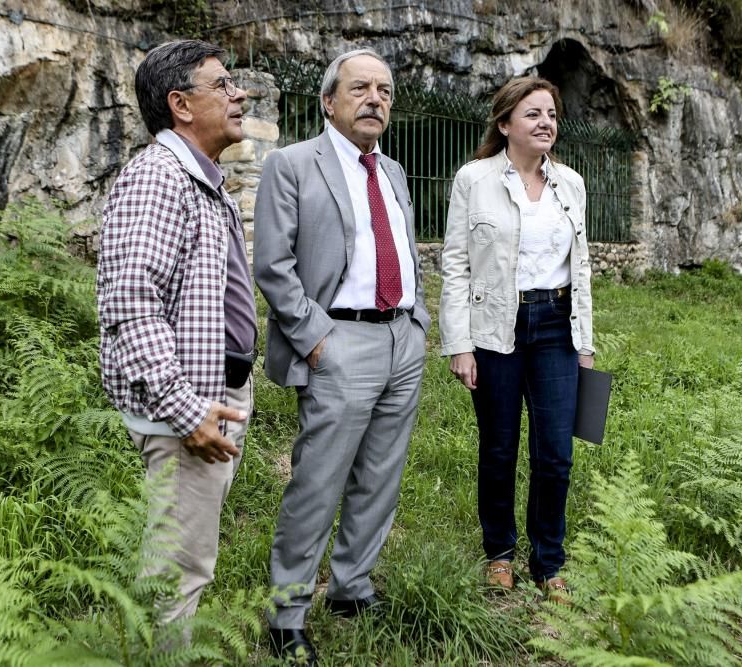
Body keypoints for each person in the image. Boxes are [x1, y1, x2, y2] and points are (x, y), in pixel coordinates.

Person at [254, 48, 429, 664]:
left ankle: (352, 586)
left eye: (384, 89)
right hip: (339, 340)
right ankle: (288, 611)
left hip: (400, 339)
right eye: (360, 88)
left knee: (380, 476)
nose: (375, 99)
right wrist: (316, 337)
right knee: (318, 482)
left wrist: (419, 321)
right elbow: (273, 266)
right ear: (329, 101)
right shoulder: (292, 164)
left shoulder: (396, 172)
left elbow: (404, 251)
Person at [97, 39, 256, 623]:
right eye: (222, 85)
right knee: (178, 570)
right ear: (181, 104)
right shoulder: (158, 178)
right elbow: (130, 306)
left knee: (184, 559)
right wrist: (185, 410)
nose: (238, 94)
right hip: (184, 409)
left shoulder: (202, 179)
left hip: (210, 397)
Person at [439, 76, 594, 601]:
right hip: (495, 328)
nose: (545, 122)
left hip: (556, 326)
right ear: (505, 124)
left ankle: (549, 562)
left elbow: (583, 271)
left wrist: (586, 344)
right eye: (533, 114)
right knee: (500, 447)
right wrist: (459, 343)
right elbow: (456, 264)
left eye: (551, 113)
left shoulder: (571, 184)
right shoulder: (474, 179)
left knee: (556, 453)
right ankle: (500, 554)